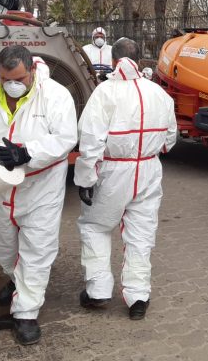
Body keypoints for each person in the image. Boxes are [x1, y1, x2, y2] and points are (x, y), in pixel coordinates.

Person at [0, 46, 77, 346]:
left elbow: (65, 137)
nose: (12, 84)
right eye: (5, 78)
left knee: (37, 250)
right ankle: (16, 279)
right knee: (2, 244)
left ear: (32, 70)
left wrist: (26, 153)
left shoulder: (56, 96)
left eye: (19, 78)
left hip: (40, 188)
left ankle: (26, 313)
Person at [75, 37, 177, 321]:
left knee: (95, 226)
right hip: (148, 171)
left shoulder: (104, 93)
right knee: (141, 235)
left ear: (112, 60)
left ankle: (98, 290)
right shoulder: (159, 94)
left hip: (112, 172)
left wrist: (85, 178)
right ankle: (138, 296)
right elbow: (170, 138)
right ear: (140, 58)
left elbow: (90, 140)